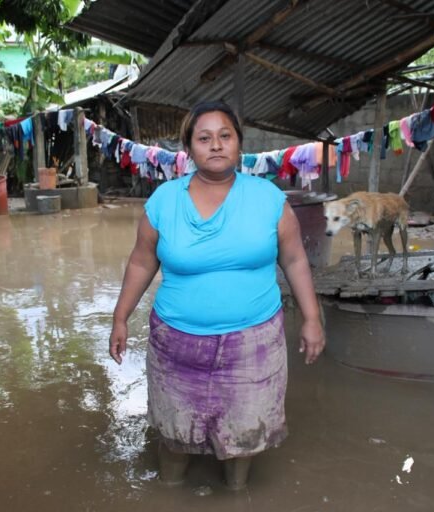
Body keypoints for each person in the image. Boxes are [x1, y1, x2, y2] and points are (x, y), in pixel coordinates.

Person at [109, 100, 325, 490]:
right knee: (175, 439)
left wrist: (311, 319)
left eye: (225, 136)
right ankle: (168, 493)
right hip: (176, 344)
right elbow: (142, 262)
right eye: (204, 138)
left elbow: (294, 260)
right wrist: (120, 317)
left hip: (253, 345)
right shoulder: (164, 201)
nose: (216, 145)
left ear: (239, 144)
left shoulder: (268, 199)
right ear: (188, 148)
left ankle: (236, 494)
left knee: (242, 440)